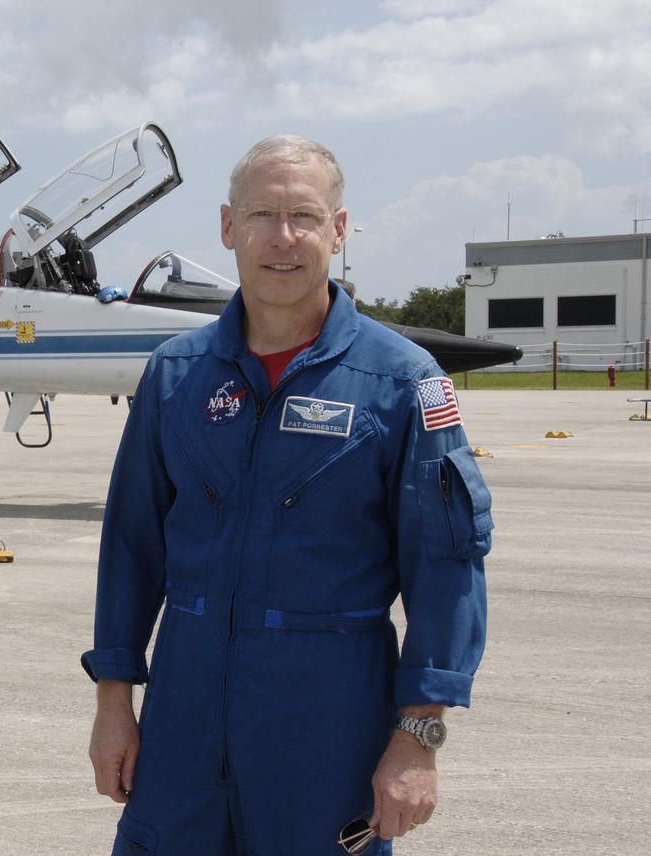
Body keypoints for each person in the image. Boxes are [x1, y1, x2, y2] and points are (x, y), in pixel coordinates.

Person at [84, 135, 491, 854]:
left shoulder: (403, 381)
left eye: (303, 216)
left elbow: (447, 571)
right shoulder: (176, 375)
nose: (282, 238)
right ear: (226, 226)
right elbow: (131, 549)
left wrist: (418, 737)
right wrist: (115, 700)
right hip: (184, 714)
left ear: (338, 229)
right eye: (261, 214)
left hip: (329, 722)